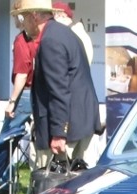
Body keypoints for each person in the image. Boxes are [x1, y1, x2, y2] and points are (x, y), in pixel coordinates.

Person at [19, 0, 99, 171]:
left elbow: (59, 90)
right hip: (79, 121)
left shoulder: (50, 40)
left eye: (22, 17)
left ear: (34, 16)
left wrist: (58, 133)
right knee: (76, 185)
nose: (21, 23)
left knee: (53, 187)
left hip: (68, 127)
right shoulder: (63, 33)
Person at [2, 2, 39, 137]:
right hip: (37, 93)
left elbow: (22, 74)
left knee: (6, 137)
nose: (15, 20)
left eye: (16, 16)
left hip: (25, 95)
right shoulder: (37, 39)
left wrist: (12, 102)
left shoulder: (21, 41)